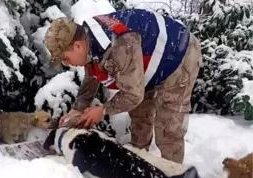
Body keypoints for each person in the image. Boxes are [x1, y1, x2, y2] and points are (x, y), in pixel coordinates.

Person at [43, 8, 202, 164]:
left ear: (78, 46)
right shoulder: (88, 38)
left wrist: (103, 110)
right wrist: (78, 107)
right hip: (145, 62)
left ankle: (173, 174)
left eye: (65, 58)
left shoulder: (120, 45)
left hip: (180, 57)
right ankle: (140, 160)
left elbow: (133, 95)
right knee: (139, 114)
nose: (66, 63)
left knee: (168, 129)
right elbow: (93, 73)